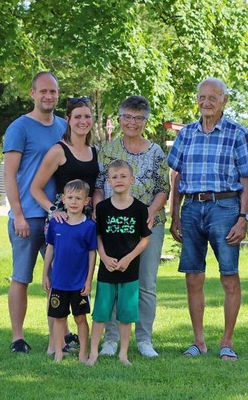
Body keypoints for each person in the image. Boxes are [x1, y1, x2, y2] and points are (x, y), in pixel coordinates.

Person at [167, 77, 248, 361]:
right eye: (202, 97)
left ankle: (227, 342)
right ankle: (198, 341)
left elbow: (245, 179)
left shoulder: (237, 133)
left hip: (225, 208)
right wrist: (174, 213)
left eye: (213, 97)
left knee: (229, 275)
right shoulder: (186, 133)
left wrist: (243, 217)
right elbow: (175, 175)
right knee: (193, 277)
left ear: (224, 100)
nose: (206, 102)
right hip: (191, 208)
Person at [93, 95, 170, 358]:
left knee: (145, 283)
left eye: (138, 118)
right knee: (113, 279)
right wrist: (98, 212)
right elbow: (97, 187)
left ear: (146, 121)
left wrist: (147, 212)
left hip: (148, 224)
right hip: (114, 225)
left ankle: (144, 339)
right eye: (127, 117)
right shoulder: (108, 150)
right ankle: (111, 339)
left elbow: (163, 189)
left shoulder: (156, 151)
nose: (132, 122)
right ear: (120, 118)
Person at [2, 71, 67, 354]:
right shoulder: (19, 127)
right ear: (32, 94)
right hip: (28, 216)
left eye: (53, 91)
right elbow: (10, 174)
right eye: (43, 91)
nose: (48, 96)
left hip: (58, 217)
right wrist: (17, 214)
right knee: (22, 277)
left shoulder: (64, 126)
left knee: (59, 277)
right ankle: (18, 337)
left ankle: (60, 335)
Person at [30, 95, 98, 355]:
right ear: (68, 120)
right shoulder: (59, 150)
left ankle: (75, 338)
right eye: (77, 116)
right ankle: (53, 343)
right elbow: (35, 188)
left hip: (86, 222)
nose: (83, 121)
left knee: (80, 278)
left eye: (87, 116)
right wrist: (53, 210)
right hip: (62, 221)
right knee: (57, 279)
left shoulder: (94, 151)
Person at [87, 160, 151, 366]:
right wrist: (104, 258)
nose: (119, 180)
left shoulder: (140, 209)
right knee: (100, 314)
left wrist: (128, 258)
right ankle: (94, 353)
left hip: (129, 271)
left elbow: (145, 239)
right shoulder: (103, 208)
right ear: (108, 182)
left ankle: (123, 353)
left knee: (126, 315)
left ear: (132, 179)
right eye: (114, 177)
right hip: (107, 271)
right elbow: (97, 237)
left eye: (123, 176)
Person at [42, 179, 97, 363]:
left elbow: (92, 254)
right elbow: (50, 249)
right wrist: (45, 275)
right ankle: (58, 351)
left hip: (79, 283)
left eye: (78, 198)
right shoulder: (56, 224)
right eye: (70, 197)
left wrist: (89, 280)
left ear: (86, 201)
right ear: (63, 199)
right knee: (58, 318)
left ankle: (83, 353)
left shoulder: (89, 226)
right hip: (58, 282)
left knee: (80, 318)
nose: (74, 202)